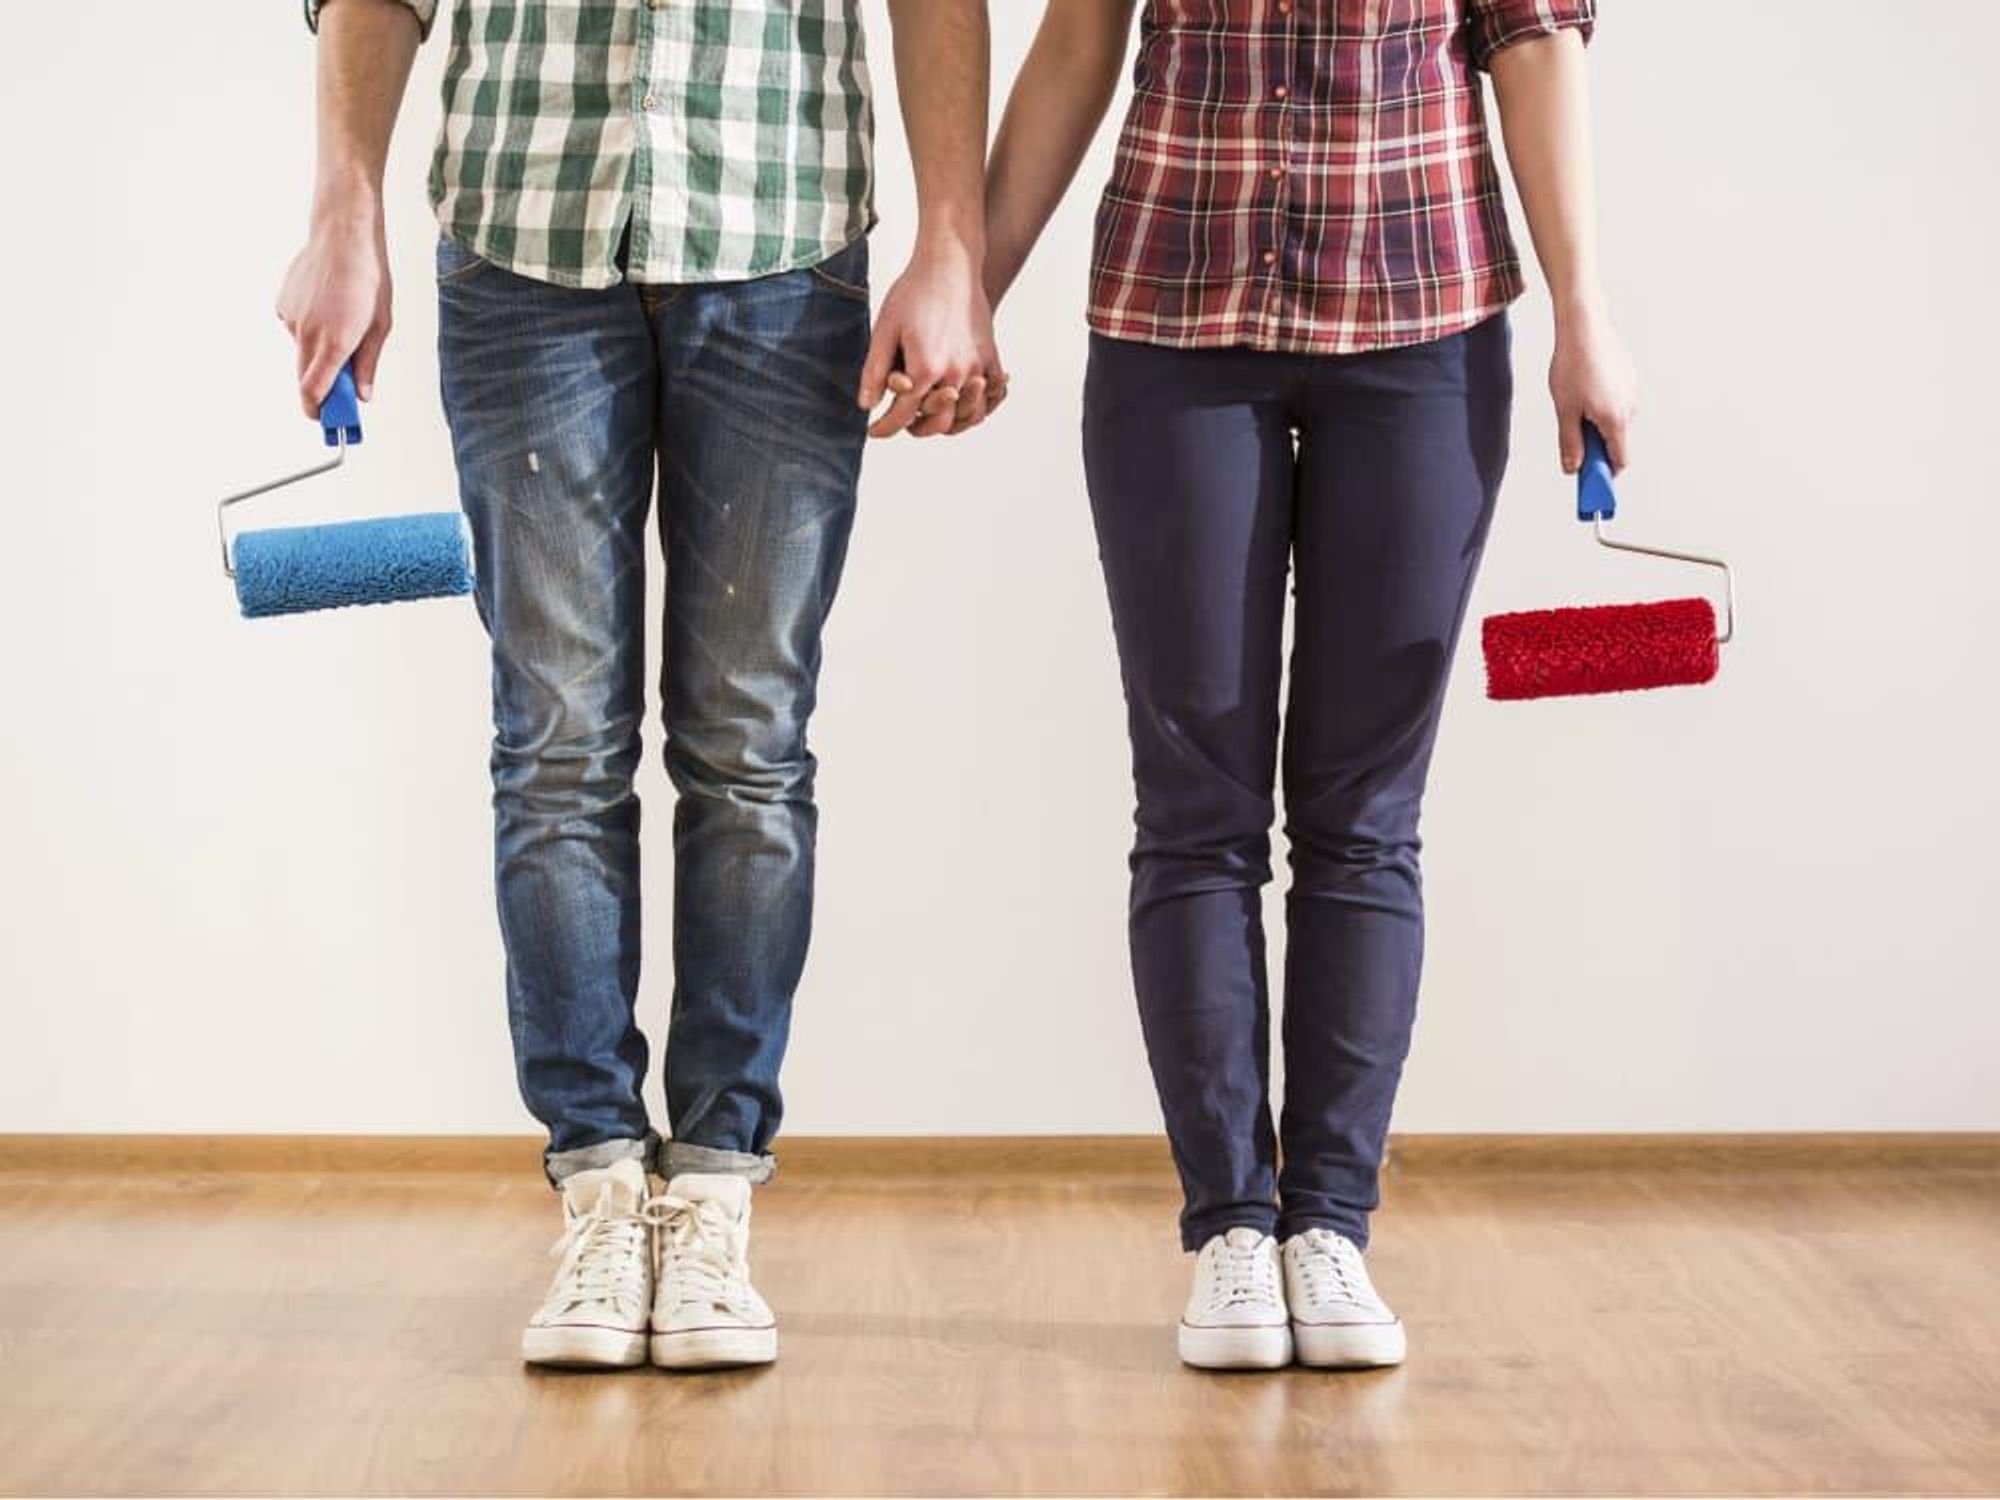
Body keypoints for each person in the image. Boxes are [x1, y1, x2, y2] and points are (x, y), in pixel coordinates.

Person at [279, 0, 1001, 1371]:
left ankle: (715, 1189)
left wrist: (953, 247)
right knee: (554, 744)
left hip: (780, 240)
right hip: (522, 232)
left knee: (750, 749)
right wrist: (345, 208)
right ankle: (602, 1188)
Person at [982, 0, 1631, 1369]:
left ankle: (1328, 1229)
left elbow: (1534, 44)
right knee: (1196, 806)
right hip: (1172, 326)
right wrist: (966, 280)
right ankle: (1229, 1231)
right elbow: (1080, 37)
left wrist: (1587, 314)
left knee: (1363, 817)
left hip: (1423, 328)